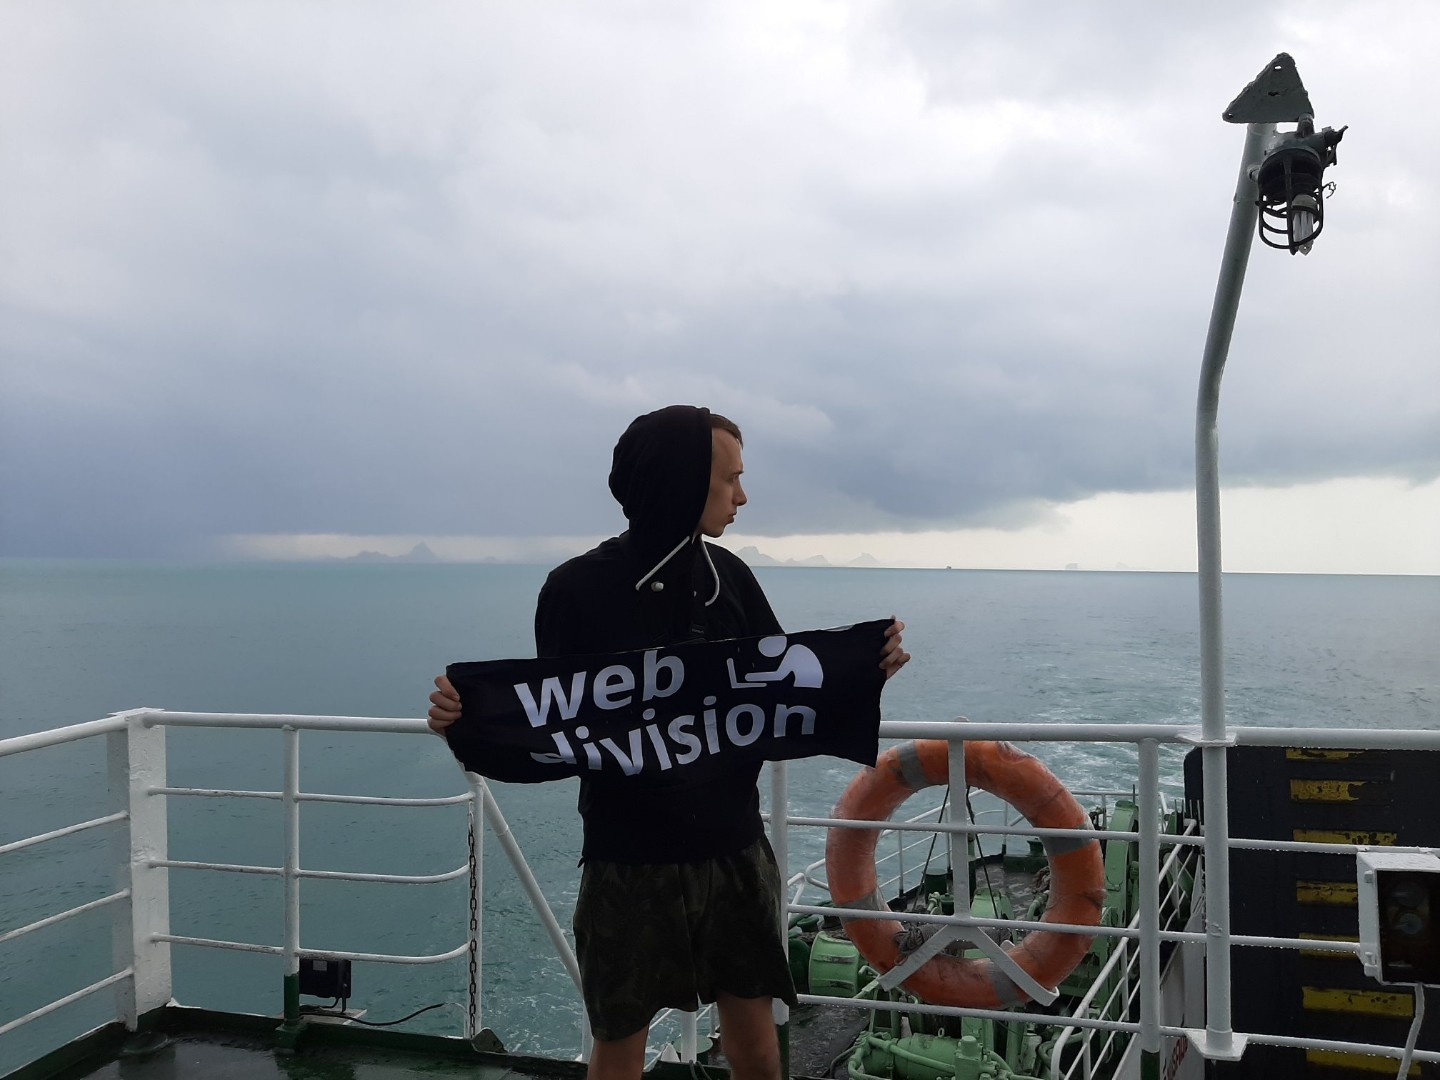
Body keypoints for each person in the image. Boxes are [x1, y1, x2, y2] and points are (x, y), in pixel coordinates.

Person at [428, 405, 909, 1080]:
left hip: (733, 847)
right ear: (683, 480)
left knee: (756, 1043)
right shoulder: (576, 590)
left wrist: (860, 673)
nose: (742, 497)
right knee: (619, 1048)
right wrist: (467, 720)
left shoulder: (730, 579)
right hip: (628, 857)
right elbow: (556, 721)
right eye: (729, 479)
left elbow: (778, 697)